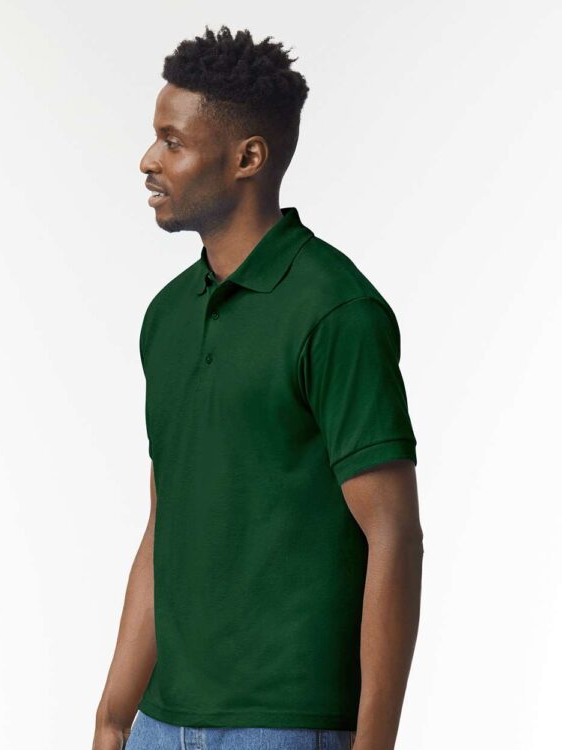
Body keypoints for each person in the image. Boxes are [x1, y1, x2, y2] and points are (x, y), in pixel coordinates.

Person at [92, 24, 423, 750]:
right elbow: (165, 524)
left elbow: (395, 536)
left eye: (173, 142)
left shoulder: (336, 311)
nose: (149, 160)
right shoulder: (168, 317)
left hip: (286, 725)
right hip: (161, 722)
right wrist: (114, 716)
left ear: (247, 157)